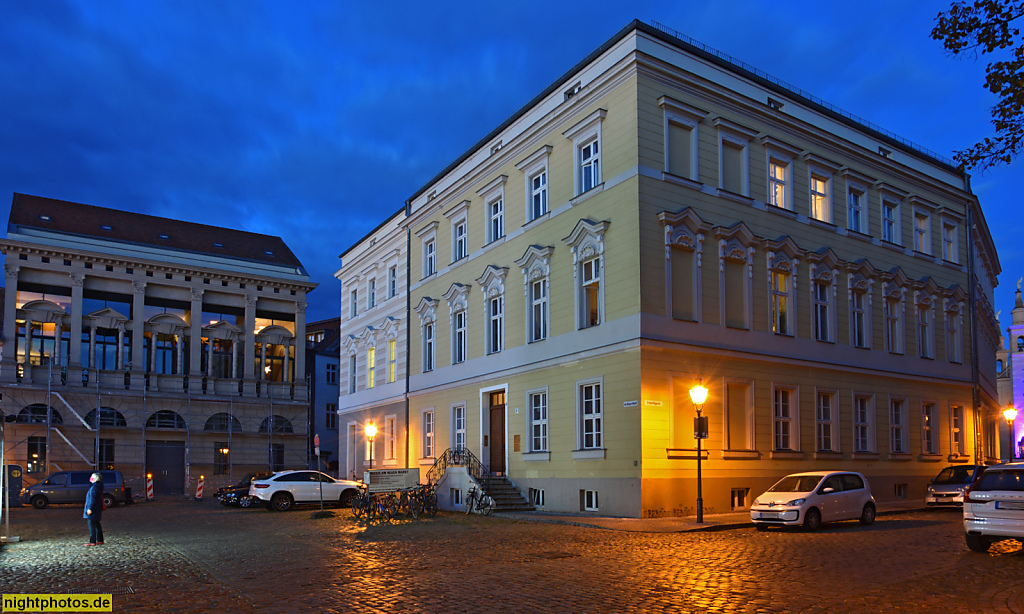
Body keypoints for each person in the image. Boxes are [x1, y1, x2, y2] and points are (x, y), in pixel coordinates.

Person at [84, 472, 104, 546]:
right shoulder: (98, 486)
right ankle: (100, 539)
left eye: (92, 477)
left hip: (93, 509)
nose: (91, 478)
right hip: (97, 508)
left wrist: (89, 508)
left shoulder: (94, 487)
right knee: (96, 524)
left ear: (95, 479)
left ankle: (92, 541)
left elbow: (92, 499)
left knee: (91, 525)